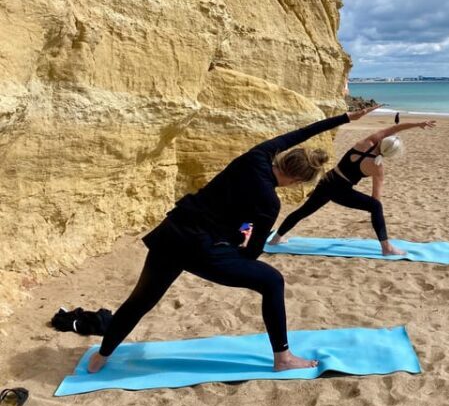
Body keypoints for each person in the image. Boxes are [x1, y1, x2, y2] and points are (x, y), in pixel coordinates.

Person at [87, 106, 379, 374]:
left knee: (142, 299)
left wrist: (346, 117)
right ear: (296, 181)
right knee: (272, 281)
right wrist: (236, 242)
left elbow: (299, 133)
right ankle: (284, 358)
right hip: (202, 249)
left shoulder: (256, 156)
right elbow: (251, 255)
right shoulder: (270, 203)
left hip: (172, 233)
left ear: (284, 156)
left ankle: (102, 356)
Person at [268, 119, 436, 256]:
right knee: (376, 206)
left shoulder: (366, 142)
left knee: (303, 211)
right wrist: (374, 212)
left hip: (327, 181)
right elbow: (375, 198)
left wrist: (417, 124)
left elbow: (394, 128)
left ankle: (276, 238)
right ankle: (387, 248)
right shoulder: (377, 167)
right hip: (340, 190)